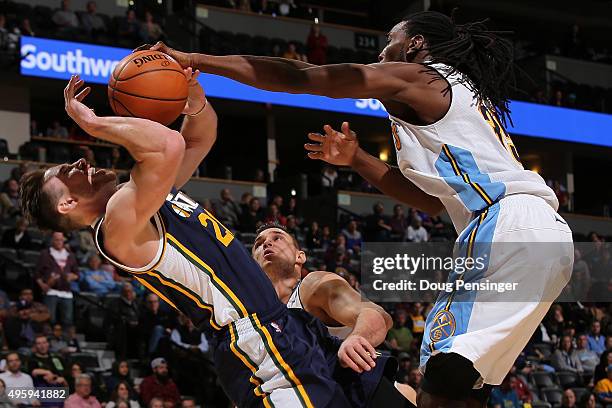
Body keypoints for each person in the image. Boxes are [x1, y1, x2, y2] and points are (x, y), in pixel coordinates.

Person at [148, 10, 574, 406]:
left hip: (506, 225)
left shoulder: (424, 78)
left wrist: (198, 59)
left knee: (443, 376)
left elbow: (305, 77)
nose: (381, 52)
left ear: (415, 45)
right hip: (542, 238)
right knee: (460, 383)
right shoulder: (451, 102)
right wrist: (357, 160)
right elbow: (432, 203)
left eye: (390, 41)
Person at [21, 71, 353, 407]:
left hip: (278, 326)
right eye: (66, 172)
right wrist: (93, 123)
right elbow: (169, 144)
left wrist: (191, 96)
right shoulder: (116, 223)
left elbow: (197, 139)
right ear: (67, 204)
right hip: (256, 341)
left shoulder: (139, 196)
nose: (79, 161)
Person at [253, 223, 415, 407]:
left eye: (277, 238)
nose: (267, 244)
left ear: (300, 256)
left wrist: (357, 338)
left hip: (360, 392)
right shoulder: (255, 321)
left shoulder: (311, 286)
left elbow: (375, 314)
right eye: (259, 244)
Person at [35, 231, 79, 326]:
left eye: (61, 240)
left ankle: (66, 340)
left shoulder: (70, 255)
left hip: (66, 293)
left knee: (67, 320)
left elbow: (77, 274)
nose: (59, 242)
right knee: (49, 319)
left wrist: (72, 277)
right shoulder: (45, 254)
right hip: (51, 291)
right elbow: (37, 274)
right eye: (56, 240)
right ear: (52, 241)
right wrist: (42, 286)